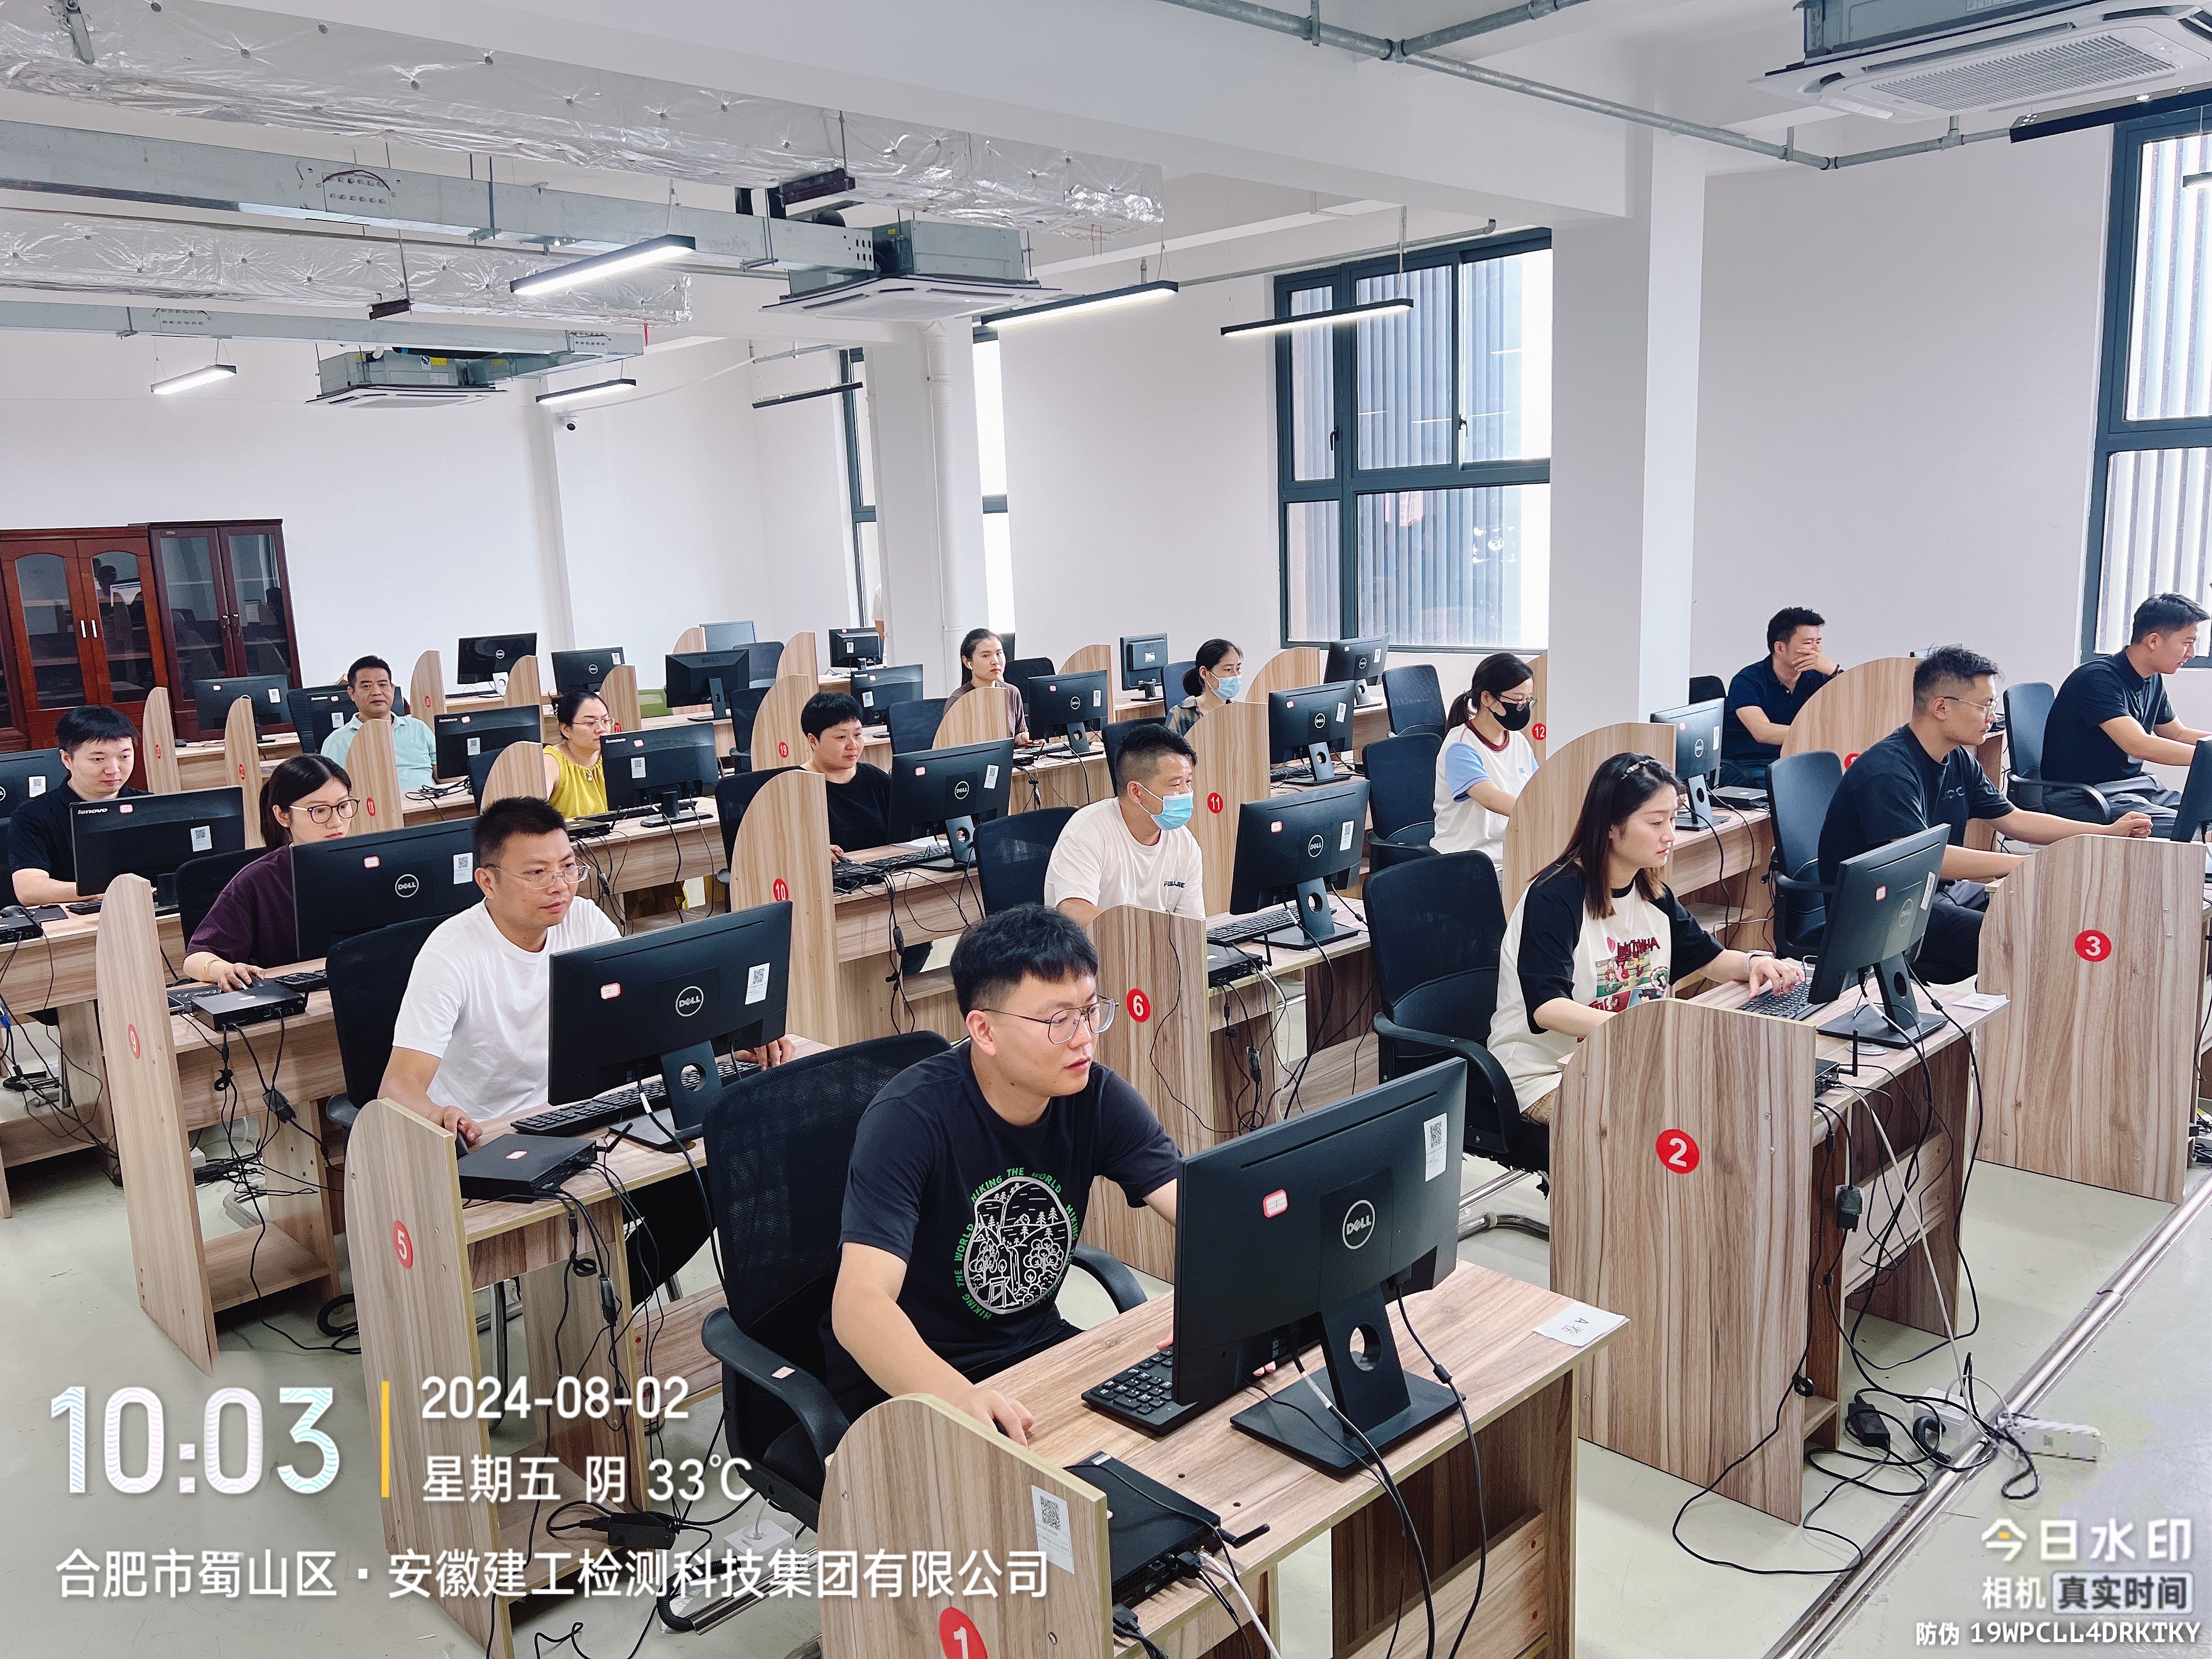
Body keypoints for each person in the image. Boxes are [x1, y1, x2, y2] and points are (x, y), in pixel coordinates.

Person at [381, 797, 794, 1297]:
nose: (559, 885)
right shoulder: (451, 954)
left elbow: (646, 1024)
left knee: (713, 1178)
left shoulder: (583, 919)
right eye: (537, 873)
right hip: (500, 1140)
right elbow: (397, 1087)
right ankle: (587, 1311)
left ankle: (607, 1307)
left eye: (568, 867)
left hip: (587, 1120)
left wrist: (729, 1044)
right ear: (488, 881)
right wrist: (441, 1115)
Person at [826, 905, 1179, 1440]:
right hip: (912, 1385)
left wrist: (1225, 1319)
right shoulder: (909, 1120)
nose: (1084, 1037)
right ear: (984, 1030)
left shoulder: (1096, 1096)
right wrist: (956, 1397)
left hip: (1035, 1355)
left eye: (1090, 1011)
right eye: (1057, 1021)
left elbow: (1204, 1213)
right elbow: (858, 1306)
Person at [1489, 753, 1806, 1124]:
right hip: (1543, 1078)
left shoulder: (1653, 894)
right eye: (1656, 822)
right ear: (1611, 826)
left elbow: (1709, 958)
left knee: (1734, 1095)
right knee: (1676, 1118)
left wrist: (1755, 963)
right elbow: (1548, 1007)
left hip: (1622, 1064)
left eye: (1673, 818)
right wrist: (1647, 1030)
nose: (1670, 835)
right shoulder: (1554, 897)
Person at [1817, 646, 2152, 985]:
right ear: (1941, 708)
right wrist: (2031, 865)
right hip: (1881, 912)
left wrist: (2103, 831)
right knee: (2022, 940)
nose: (1992, 717)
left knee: (2046, 912)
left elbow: (2015, 819)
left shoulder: (1957, 757)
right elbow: (1922, 861)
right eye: (1984, 706)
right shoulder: (1889, 771)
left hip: (1934, 893)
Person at [2040, 591, 2211, 832]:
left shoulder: (2152, 678)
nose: (2191, 653)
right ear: (2154, 641)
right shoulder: (2097, 680)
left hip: (2136, 788)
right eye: (2187, 643)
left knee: (2206, 815)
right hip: (2087, 796)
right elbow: (2138, 745)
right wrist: (2208, 757)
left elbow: (2178, 733)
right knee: (2201, 830)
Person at [183, 756, 354, 988]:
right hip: (295, 996)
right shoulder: (258, 880)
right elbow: (195, 958)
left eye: (343, 806)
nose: (337, 822)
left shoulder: (371, 863)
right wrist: (223, 969)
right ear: (283, 815)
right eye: (319, 810)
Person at [1045, 724, 1205, 924]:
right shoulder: (1086, 832)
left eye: (1188, 782)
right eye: (1176, 784)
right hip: (1093, 944)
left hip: (1152, 943)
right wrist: (1139, 935)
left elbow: (1192, 923)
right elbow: (1073, 909)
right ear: (1136, 792)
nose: (1186, 793)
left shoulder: (1184, 842)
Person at [9, 704, 145, 904]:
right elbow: (30, 890)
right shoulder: (33, 816)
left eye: (124, 756)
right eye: (98, 759)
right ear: (67, 759)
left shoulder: (150, 805)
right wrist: (107, 891)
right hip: (78, 918)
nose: (114, 770)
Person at [1432, 653, 1539, 866]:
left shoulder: (1518, 740)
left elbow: (1538, 788)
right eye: (1518, 700)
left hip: (1511, 854)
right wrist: (1542, 810)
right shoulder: (1461, 746)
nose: (1523, 707)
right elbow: (1491, 798)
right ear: (1487, 698)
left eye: (1528, 700)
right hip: (1469, 859)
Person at [1720, 607, 1840, 789]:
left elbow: (1856, 705)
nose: (1817, 651)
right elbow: (1762, 732)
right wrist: (1820, 734)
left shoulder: (1817, 676)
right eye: (1808, 643)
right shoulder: (1747, 680)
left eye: (1818, 642)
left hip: (1799, 758)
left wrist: (1834, 672)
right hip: (1752, 763)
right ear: (1780, 648)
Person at [321, 654, 437, 791]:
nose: (376, 692)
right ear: (352, 693)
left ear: (392, 690)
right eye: (367, 686)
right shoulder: (338, 741)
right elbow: (331, 791)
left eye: (383, 685)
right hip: (374, 804)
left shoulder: (418, 728)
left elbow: (445, 776)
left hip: (430, 801)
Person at [800, 691, 894, 856]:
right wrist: (814, 853)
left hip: (887, 869)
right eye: (841, 737)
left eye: (858, 735)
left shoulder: (876, 778)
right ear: (813, 741)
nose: (853, 745)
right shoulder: (797, 786)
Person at [940, 628, 1029, 741]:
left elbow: (1018, 733)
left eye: (999, 654)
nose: (996, 661)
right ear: (967, 662)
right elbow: (949, 745)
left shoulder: (1012, 692)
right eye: (986, 656)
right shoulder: (959, 700)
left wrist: (1022, 739)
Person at [541, 689, 610, 817]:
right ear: (566, 729)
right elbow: (533, 816)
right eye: (590, 723)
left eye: (605, 721)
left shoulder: (613, 755)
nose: (601, 729)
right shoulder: (550, 762)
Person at [1166, 638, 1243, 737]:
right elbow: (1166, 748)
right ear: (1204, 673)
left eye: (1238, 668)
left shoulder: (1240, 712)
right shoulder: (1180, 714)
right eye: (1228, 669)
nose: (1236, 675)